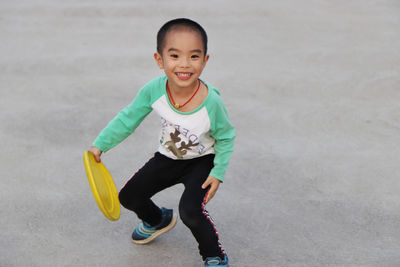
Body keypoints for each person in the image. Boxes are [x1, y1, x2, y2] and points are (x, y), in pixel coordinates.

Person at [90, 18, 235, 267]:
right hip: (168, 157)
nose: (184, 64)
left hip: (202, 162)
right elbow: (128, 118)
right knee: (129, 197)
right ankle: (157, 219)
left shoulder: (212, 102)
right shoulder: (153, 90)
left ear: (205, 60)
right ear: (160, 60)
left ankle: (214, 255)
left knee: (191, 211)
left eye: (194, 56)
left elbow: (226, 136)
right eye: (175, 55)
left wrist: (218, 172)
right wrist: (100, 144)